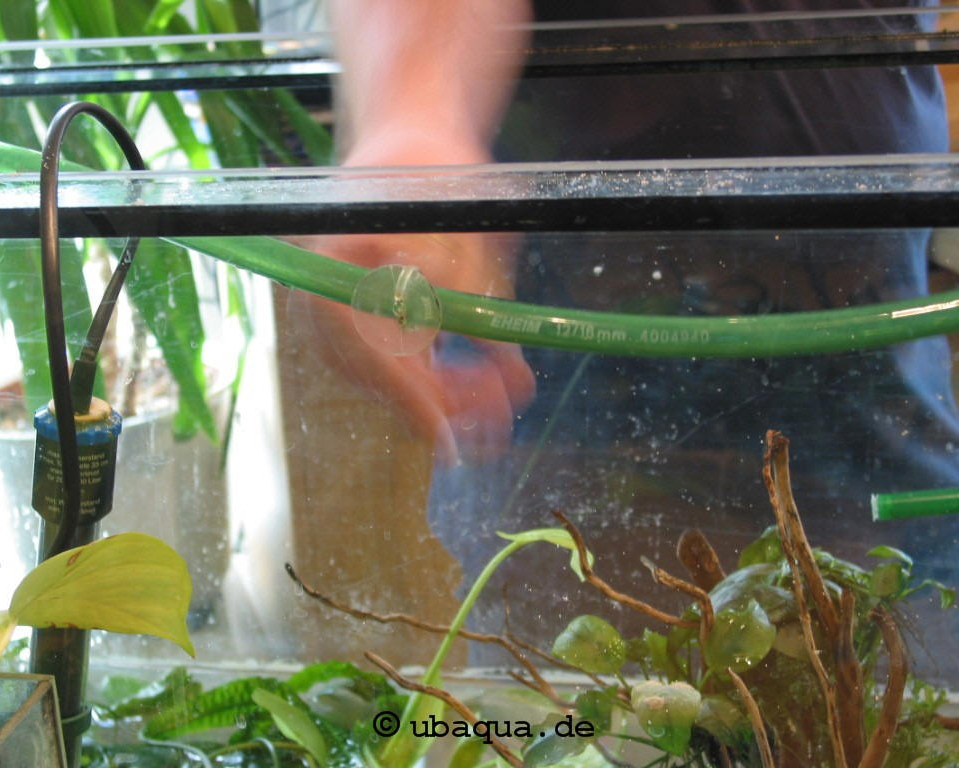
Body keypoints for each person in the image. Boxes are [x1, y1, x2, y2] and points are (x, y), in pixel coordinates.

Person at [304, 0, 959, 674]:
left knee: (885, 679)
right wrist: (415, 123)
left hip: (874, 444)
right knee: (574, 708)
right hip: (572, 459)